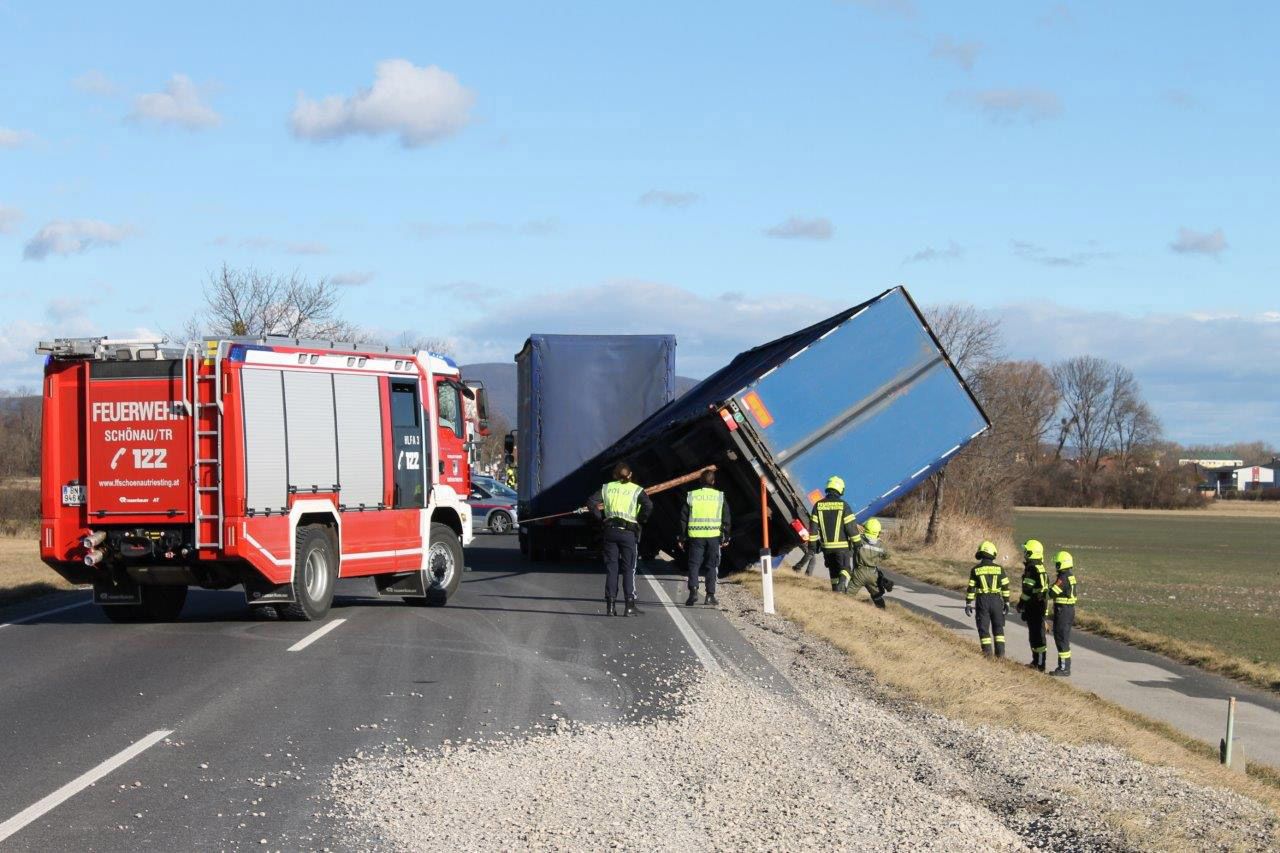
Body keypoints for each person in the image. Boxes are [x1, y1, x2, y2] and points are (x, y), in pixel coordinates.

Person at [589, 462, 653, 617]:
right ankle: (629, 605)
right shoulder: (636, 489)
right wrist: (640, 520)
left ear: (615, 476)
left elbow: (591, 502)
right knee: (628, 568)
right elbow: (648, 506)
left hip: (610, 531)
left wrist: (600, 519)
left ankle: (610, 606)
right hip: (628, 532)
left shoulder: (607, 487)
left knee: (612, 568)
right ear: (630, 475)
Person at [678, 469, 731, 607]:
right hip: (713, 537)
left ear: (700, 481)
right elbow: (726, 518)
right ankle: (710, 596)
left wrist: (682, 537)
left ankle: (693, 592)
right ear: (713, 482)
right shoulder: (719, 496)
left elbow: (683, 518)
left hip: (696, 537)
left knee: (694, 565)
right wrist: (725, 536)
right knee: (711, 566)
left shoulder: (692, 496)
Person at [807, 476, 860, 592]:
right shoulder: (844, 505)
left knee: (833, 571)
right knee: (846, 569)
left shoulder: (818, 505)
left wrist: (812, 546)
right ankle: (842, 582)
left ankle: (836, 592)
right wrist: (858, 544)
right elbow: (851, 528)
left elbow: (813, 529)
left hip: (827, 548)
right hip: (842, 547)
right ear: (840, 489)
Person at [964, 540, 1010, 657]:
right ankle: (1000, 656)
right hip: (996, 601)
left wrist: (969, 603)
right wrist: (1007, 602)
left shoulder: (975, 570)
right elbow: (1005, 587)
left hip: (982, 601)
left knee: (984, 628)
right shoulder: (1000, 569)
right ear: (993, 553)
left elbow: (971, 588)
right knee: (998, 629)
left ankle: (987, 655)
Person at [1016, 538, 1050, 671]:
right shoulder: (1040, 567)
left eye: (1026, 551)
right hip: (1040, 605)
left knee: (1037, 636)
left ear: (1032, 553)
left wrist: (1021, 605)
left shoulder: (1032, 569)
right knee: (1035, 635)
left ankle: (1039, 665)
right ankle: (1036, 662)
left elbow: (1027, 590)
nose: (1024, 553)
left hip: (1034, 606)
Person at [848, 517, 892, 608]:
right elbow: (887, 555)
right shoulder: (881, 545)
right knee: (877, 596)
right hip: (873, 574)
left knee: (848, 595)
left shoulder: (859, 540)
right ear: (878, 532)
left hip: (859, 572)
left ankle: (843, 609)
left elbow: (850, 544)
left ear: (865, 529)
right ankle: (882, 612)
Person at [1048, 550, 1078, 677]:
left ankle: (1064, 668)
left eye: (1057, 563)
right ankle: (1063, 667)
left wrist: (1042, 593)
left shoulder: (1063, 577)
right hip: (1067, 610)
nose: (1056, 566)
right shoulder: (1069, 575)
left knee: (1061, 639)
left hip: (1063, 611)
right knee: (1062, 638)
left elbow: (1052, 592)